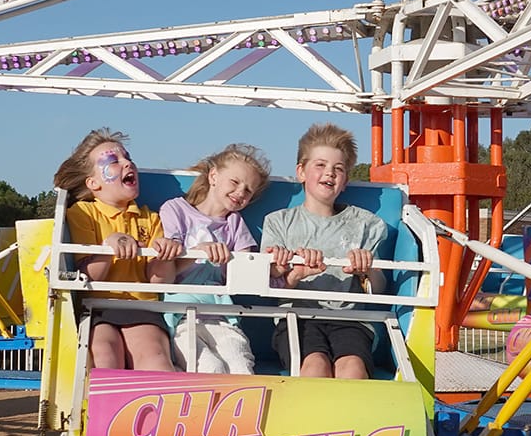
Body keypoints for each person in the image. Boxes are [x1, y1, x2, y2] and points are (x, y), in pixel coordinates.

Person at [261, 123, 386, 379]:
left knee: (351, 368)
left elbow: (379, 287)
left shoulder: (367, 224)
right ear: (301, 172)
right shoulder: (278, 222)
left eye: (338, 169)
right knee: (315, 366)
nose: (329, 173)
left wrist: (368, 268)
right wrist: (296, 274)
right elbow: (269, 283)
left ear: (345, 181)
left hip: (349, 320)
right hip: (297, 318)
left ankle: (353, 420)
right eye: (320, 165)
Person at [53, 128, 182, 372]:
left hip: (142, 308)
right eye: (113, 161)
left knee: (155, 359)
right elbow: (89, 277)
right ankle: (101, 409)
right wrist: (108, 247)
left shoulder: (151, 219)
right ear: (93, 183)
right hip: (99, 306)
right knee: (104, 357)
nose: (127, 163)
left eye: (128, 157)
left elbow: (158, 282)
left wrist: (165, 257)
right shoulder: (82, 213)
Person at [159, 144, 271, 373]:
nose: (241, 192)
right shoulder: (176, 210)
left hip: (220, 314)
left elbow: (245, 271)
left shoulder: (235, 223)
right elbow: (169, 263)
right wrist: (200, 252)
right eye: (235, 182)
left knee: (241, 366)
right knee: (211, 367)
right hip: (181, 315)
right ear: (213, 176)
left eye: (248, 190)